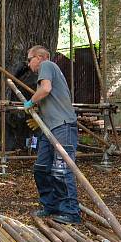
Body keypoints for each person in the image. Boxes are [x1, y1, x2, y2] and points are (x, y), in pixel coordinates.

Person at [23, 45, 80, 223]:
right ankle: (51, 206)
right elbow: (50, 97)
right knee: (41, 168)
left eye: (29, 59)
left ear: (39, 57)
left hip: (63, 127)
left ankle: (70, 212)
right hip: (50, 129)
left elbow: (45, 89)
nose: (28, 64)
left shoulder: (46, 65)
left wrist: (30, 101)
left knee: (61, 170)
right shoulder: (50, 71)